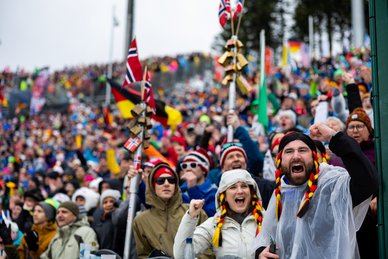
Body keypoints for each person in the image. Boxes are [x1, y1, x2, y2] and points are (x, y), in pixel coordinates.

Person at [254, 123, 378, 259]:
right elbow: (266, 237)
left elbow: (367, 181)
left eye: (302, 150)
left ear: (314, 158)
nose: (296, 156)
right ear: (280, 161)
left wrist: (333, 136)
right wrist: (260, 252)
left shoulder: (332, 185)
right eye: (289, 151)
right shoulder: (280, 192)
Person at [173, 169, 264, 258]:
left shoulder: (267, 220)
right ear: (224, 196)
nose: (240, 191)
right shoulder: (213, 225)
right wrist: (190, 218)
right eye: (233, 187)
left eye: (244, 186)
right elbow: (181, 255)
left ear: (252, 192)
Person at [132, 162, 209, 258]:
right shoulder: (141, 220)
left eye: (171, 180)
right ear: (153, 185)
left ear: (176, 185)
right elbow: (143, 255)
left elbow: (209, 248)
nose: (166, 184)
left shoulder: (194, 212)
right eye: (160, 181)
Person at [180, 148, 217, 216]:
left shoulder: (214, 192)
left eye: (193, 165)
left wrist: (192, 189)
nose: (188, 169)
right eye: (184, 166)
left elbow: (210, 216)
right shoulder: (179, 191)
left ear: (204, 170)